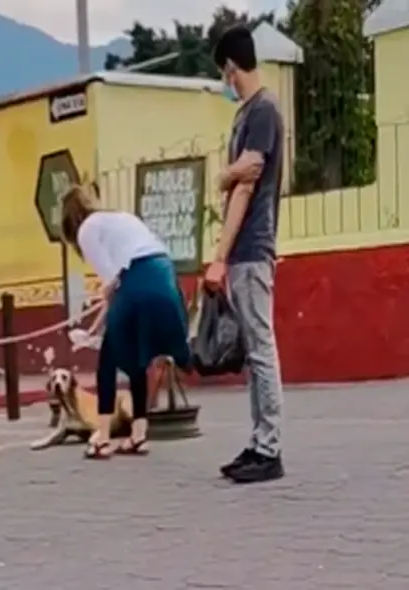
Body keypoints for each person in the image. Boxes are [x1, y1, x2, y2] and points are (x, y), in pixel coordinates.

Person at [205, 25, 286, 484]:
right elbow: (236, 176)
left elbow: (245, 184)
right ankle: (258, 442)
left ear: (232, 67)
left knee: (260, 347)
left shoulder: (264, 111)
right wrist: (228, 174)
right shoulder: (245, 116)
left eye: (224, 72)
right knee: (254, 352)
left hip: (252, 246)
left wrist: (220, 255)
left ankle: (269, 448)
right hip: (243, 251)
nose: (225, 81)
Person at [60, 184, 191, 459]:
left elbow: (113, 284)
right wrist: (97, 325)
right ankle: (139, 434)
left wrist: (93, 330)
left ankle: (103, 437)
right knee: (137, 357)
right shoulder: (121, 217)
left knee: (108, 359)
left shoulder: (87, 230)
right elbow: (119, 283)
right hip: (164, 273)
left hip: (137, 278)